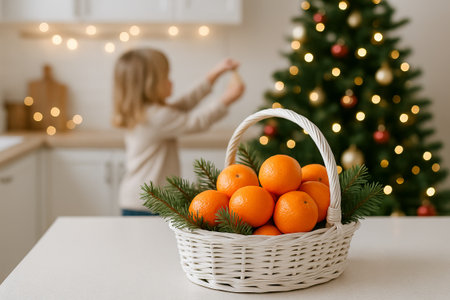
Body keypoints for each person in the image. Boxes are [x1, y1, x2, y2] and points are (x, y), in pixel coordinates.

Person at [112, 48, 245, 216]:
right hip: (149, 204)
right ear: (150, 85)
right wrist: (227, 99)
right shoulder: (156, 117)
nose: (170, 81)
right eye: (165, 77)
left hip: (138, 200)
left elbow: (185, 103)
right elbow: (197, 121)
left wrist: (215, 74)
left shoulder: (147, 112)